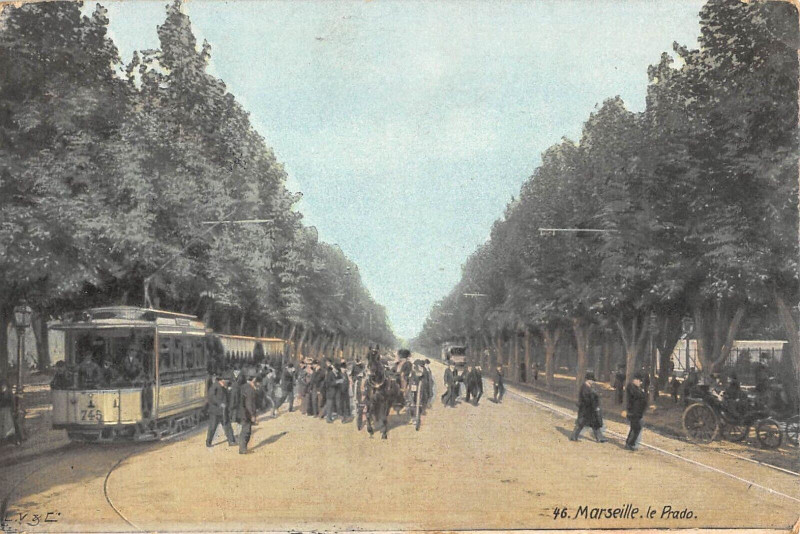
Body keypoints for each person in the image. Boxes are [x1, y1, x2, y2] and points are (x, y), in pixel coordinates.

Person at [570, 371, 607, 442]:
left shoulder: (589, 387)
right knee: (581, 423)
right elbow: (587, 399)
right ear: (588, 380)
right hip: (585, 409)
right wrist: (595, 406)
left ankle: (600, 438)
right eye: (592, 380)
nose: (593, 382)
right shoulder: (585, 388)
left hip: (590, 409)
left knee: (595, 424)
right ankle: (574, 436)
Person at [206, 375, 235, 447]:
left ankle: (231, 441)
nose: (227, 382)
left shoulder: (223, 387)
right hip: (215, 411)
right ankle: (208, 442)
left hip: (223, 411)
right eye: (226, 380)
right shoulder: (214, 386)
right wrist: (220, 403)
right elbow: (211, 397)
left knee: (227, 425)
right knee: (212, 427)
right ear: (221, 380)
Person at [624, 372, 648, 451]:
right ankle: (629, 444)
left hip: (638, 412)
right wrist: (643, 392)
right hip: (633, 411)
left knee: (635, 427)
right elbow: (638, 396)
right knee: (636, 427)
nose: (640, 383)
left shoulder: (637, 388)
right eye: (640, 381)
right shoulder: (631, 387)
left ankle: (630, 443)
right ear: (636, 380)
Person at [238, 374, 258, 454]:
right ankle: (243, 449)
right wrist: (252, 415)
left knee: (244, 430)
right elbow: (249, 403)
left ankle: (242, 448)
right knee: (246, 431)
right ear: (253, 380)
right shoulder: (250, 389)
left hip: (242, 411)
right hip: (247, 413)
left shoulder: (243, 386)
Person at [0, 379, 22, 445]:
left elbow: (12, 402)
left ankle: (17, 439)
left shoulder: (9, 393)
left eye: (3, 386)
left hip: (9, 411)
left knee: (13, 424)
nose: (2, 388)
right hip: (2, 411)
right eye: (1, 387)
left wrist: (14, 410)